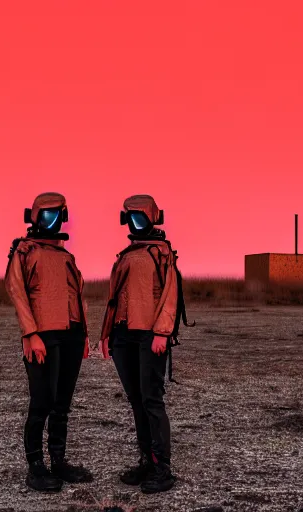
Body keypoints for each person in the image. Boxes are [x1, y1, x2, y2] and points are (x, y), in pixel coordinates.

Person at [99, 194, 194, 494]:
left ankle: (162, 469)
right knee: (137, 400)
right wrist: (106, 335)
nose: (136, 222)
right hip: (123, 336)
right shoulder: (127, 254)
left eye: (142, 216)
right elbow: (114, 298)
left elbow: (170, 295)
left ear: (153, 217)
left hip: (149, 335)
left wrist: (163, 334)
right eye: (132, 216)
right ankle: (146, 462)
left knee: (152, 400)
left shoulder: (162, 252)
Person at [5, 192, 93, 492]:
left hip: (71, 334)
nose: (51, 221)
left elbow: (77, 296)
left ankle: (58, 461)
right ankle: (36, 467)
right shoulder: (23, 252)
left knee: (62, 404)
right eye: (45, 215)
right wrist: (30, 335)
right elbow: (17, 292)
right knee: (41, 402)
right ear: (34, 216)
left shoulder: (66, 256)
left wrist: (84, 335)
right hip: (42, 336)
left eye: (56, 214)